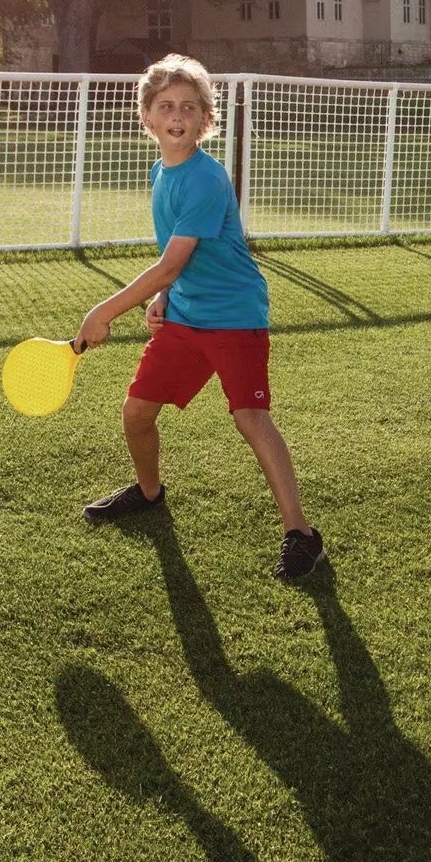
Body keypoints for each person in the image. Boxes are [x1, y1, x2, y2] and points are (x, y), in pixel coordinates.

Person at [75, 54, 324, 581]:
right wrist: (166, 297)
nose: (177, 114)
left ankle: (302, 536)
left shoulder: (208, 179)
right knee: (136, 411)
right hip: (185, 315)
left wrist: (105, 311)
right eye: (166, 106)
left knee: (249, 418)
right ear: (146, 117)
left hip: (234, 316)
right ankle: (148, 494)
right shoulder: (160, 171)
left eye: (189, 106)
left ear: (205, 119)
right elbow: (175, 256)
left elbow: (168, 264)